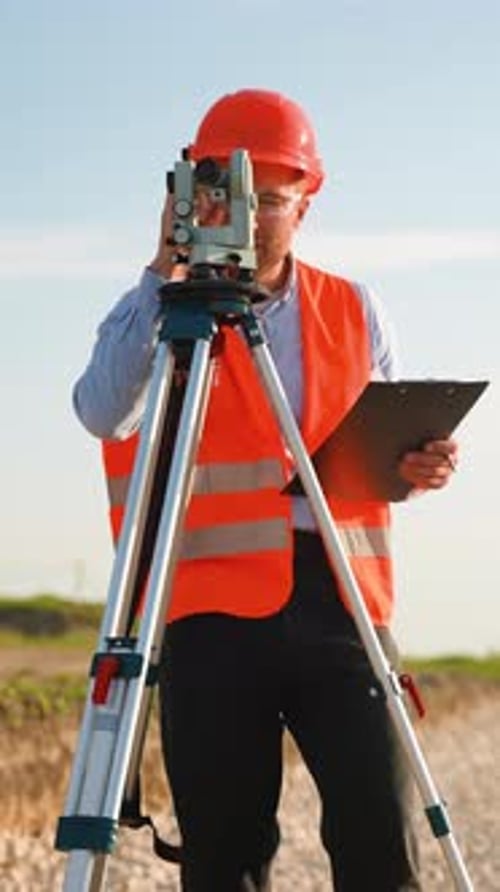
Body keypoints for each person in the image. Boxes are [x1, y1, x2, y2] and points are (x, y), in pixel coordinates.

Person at [73, 89, 458, 892]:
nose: (248, 217)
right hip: (209, 614)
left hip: (342, 603)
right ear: (188, 195)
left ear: (304, 202)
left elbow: (372, 455)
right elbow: (102, 413)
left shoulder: (354, 308)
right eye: (223, 193)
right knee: (223, 852)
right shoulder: (164, 308)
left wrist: (418, 467)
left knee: (380, 833)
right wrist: (161, 272)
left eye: (270, 200)